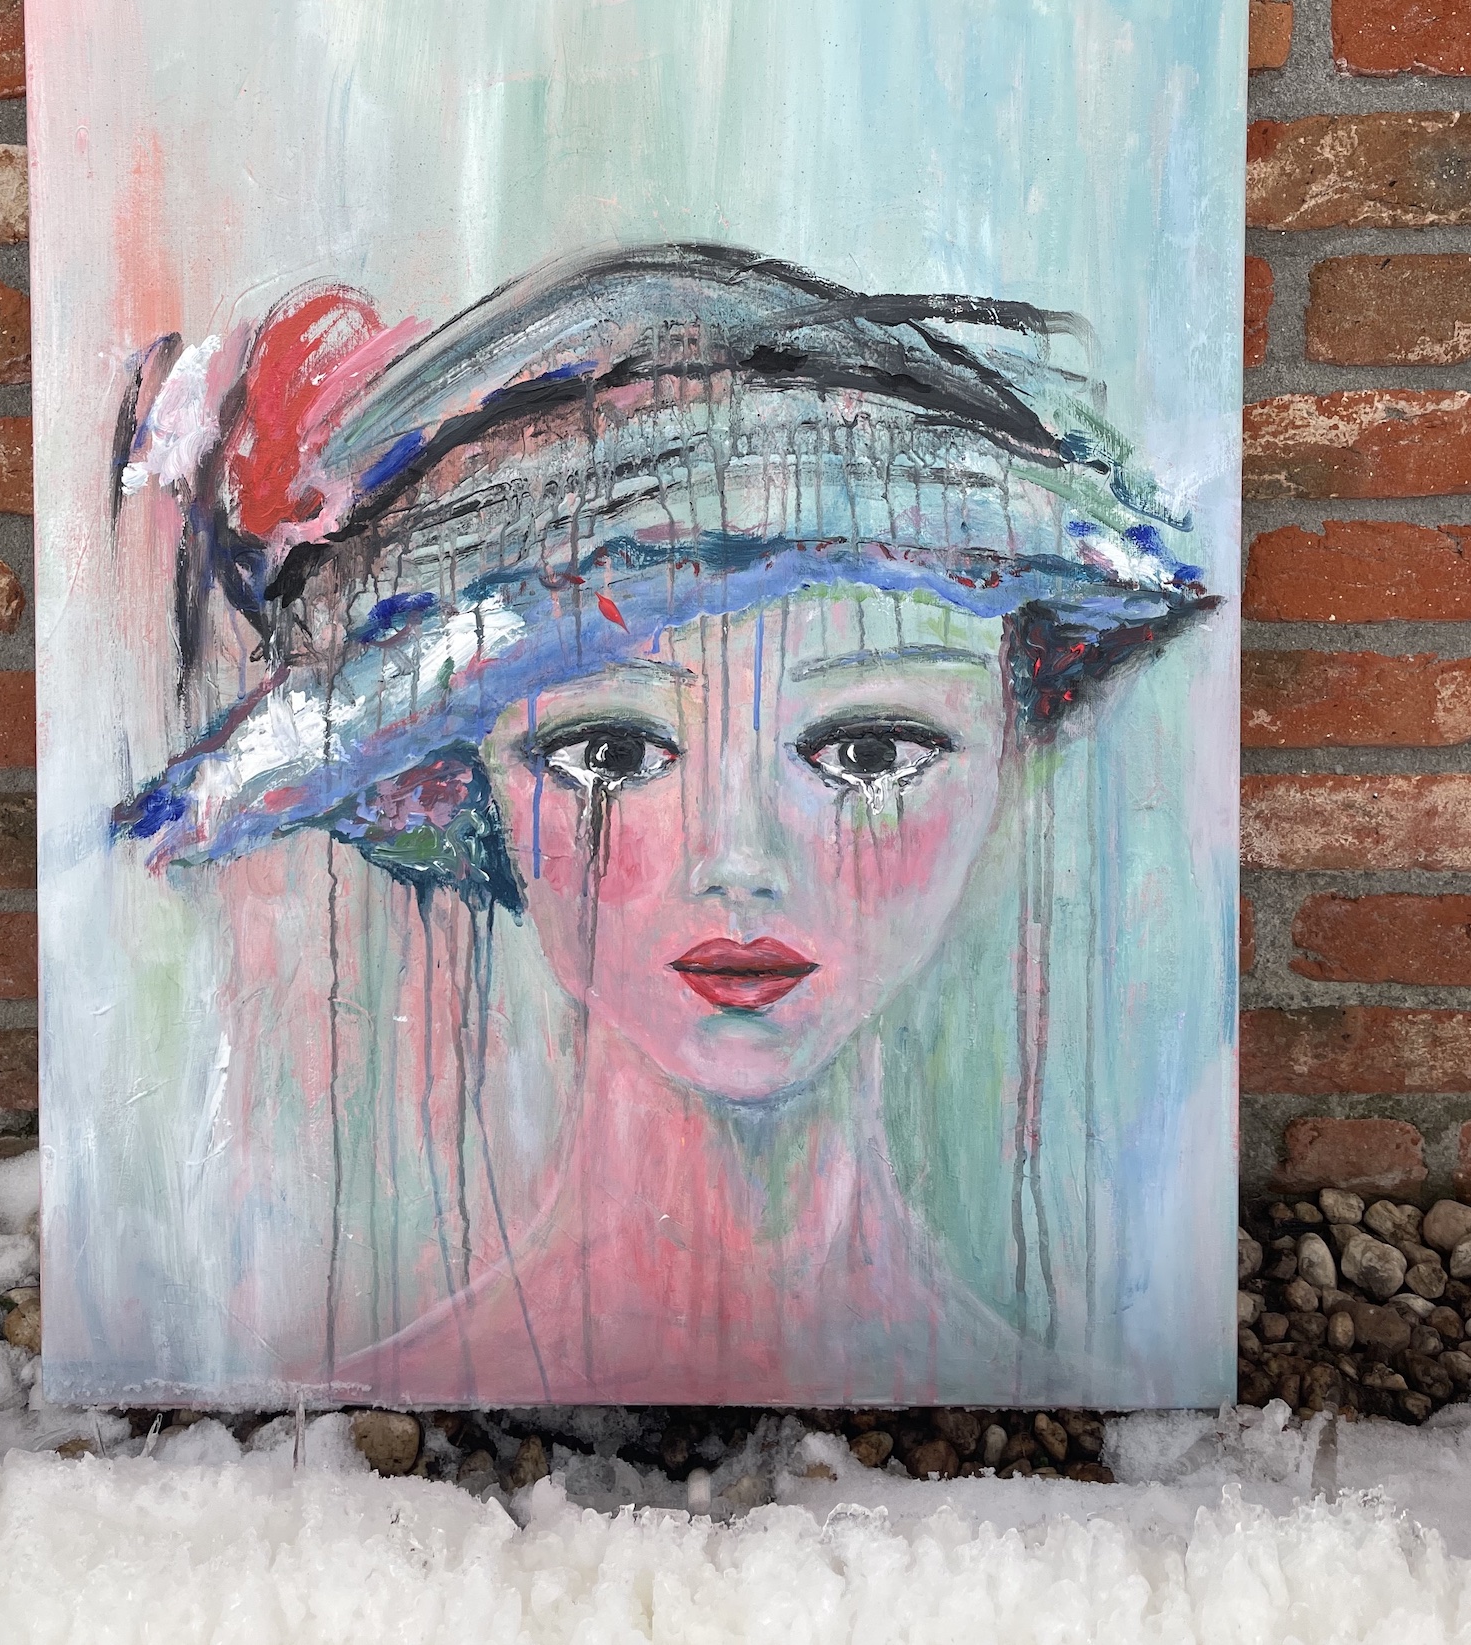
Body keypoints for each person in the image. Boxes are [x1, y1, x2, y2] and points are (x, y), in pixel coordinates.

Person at [112, 244, 1216, 1405]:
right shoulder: (377, 1411)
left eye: (868, 752)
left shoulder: (1054, 1402)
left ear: (1010, 748)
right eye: (613, 752)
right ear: (468, 780)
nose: (739, 861)